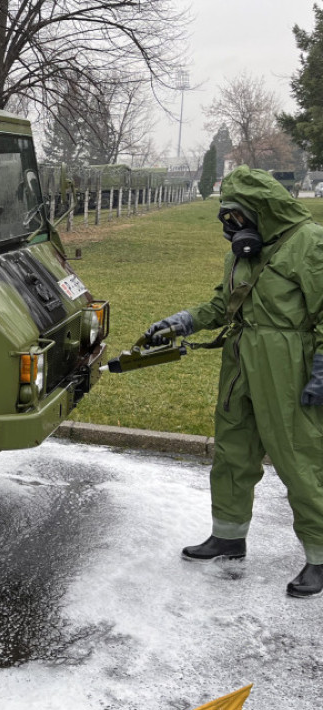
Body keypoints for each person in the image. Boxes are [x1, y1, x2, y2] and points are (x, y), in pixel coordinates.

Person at [146, 166, 323, 599]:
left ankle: (320, 556)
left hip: (289, 365)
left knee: (300, 459)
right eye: (228, 216)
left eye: (239, 215)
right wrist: (181, 322)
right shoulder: (245, 251)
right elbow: (223, 304)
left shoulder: (309, 243)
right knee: (232, 452)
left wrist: (321, 370)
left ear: (263, 210)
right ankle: (228, 536)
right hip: (241, 361)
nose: (233, 225)